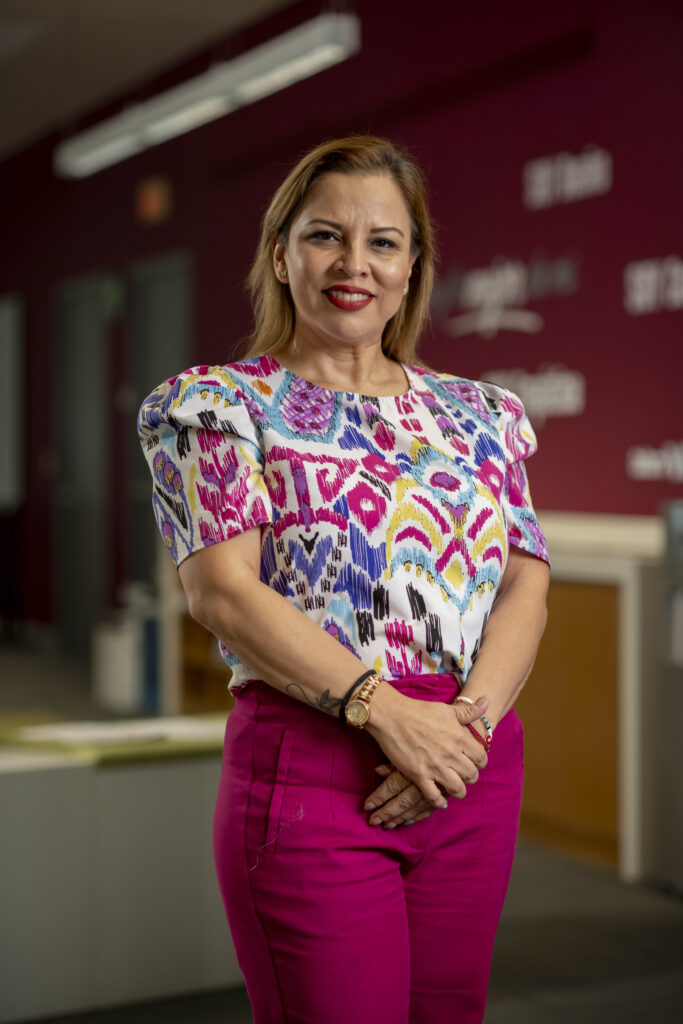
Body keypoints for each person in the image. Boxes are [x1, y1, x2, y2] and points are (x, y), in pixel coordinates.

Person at [138, 135, 550, 1024]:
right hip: (316, 760)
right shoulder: (217, 405)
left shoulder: (482, 414)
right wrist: (387, 714)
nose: (353, 263)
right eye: (325, 235)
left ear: (412, 267)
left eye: (382, 242)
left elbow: (526, 584)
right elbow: (222, 592)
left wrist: (465, 730)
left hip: (467, 759)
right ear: (279, 255)